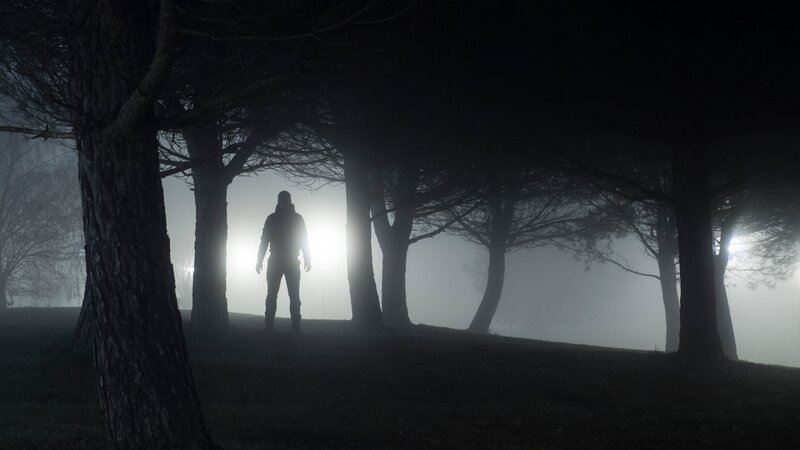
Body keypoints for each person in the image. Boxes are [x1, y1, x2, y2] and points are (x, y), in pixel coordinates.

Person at [256, 191, 311, 333]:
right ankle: (273, 326)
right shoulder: (287, 219)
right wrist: (259, 260)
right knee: (274, 295)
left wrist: (308, 258)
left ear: (289, 200)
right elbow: (264, 240)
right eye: (281, 199)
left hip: (287, 261)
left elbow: (304, 240)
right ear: (278, 200)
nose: (283, 201)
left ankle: (293, 327)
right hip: (280, 260)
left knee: (291, 296)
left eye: (285, 199)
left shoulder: (276, 218)